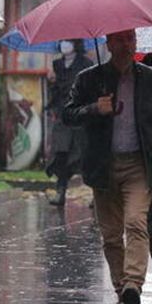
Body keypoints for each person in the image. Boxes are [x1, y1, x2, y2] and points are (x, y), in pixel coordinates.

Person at [62, 29, 152, 304]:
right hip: (103, 166)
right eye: (119, 40)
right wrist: (94, 108)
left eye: (130, 39)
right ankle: (122, 291)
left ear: (136, 42)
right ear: (108, 43)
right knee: (112, 236)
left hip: (139, 165)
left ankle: (133, 285)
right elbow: (68, 114)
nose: (126, 45)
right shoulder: (90, 79)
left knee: (136, 223)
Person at [45, 40, 93, 206]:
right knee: (61, 153)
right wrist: (51, 82)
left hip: (80, 115)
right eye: (63, 41)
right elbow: (55, 92)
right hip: (62, 116)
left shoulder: (86, 63)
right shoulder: (57, 64)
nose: (65, 44)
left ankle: (96, 192)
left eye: (69, 41)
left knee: (84, 154)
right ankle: (61, 191)